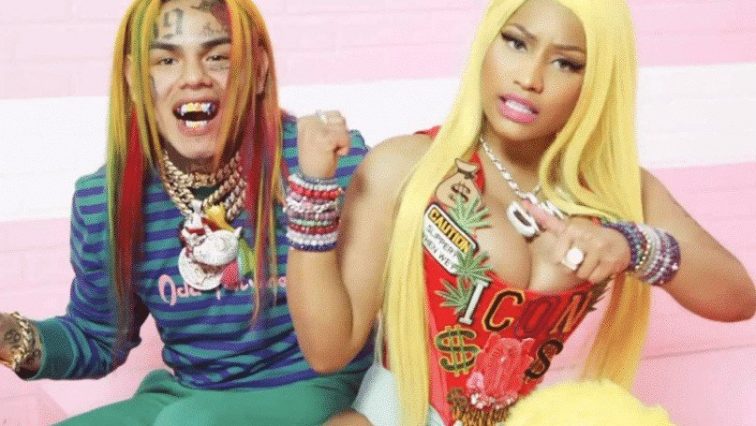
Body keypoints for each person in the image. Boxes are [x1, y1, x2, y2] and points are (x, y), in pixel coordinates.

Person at [285, 0, 756, 424]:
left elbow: (738, 298)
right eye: (516, 42)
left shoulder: (617, 191)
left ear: (597, 80)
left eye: (566, 63)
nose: (530, 78)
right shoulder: (406, 166)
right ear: (488, 42)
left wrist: (635, 246)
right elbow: (328, 350)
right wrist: (312, 189)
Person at [0, 0, 372, 424]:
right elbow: (96, 337)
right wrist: (8, 337)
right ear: (135, 80)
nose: (194, 77)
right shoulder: (104, 201)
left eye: (218, 57)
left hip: (314, 387)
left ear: (258, 70)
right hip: (190, 393)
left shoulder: (324, 163)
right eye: (166, 60)